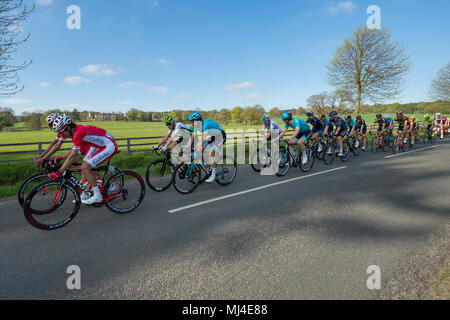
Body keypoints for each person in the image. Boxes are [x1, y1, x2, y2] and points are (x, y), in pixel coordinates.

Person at [49, 115, 119, 205]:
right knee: (84, 167)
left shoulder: (78, 132)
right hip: (97, 145)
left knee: (85, 168)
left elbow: (72, 156)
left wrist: (60, 171)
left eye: (61, 132)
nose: (62, 135)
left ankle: (97, 196)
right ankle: (103, 186)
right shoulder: (74, 133)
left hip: (109, 145)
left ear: (68, 128)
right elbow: (75, 151)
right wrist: (61, 157)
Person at [187, 112, 226, 183]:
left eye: (193, 122)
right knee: (202, 151)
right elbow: (192, 138)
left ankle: (213, 175)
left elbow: (202, 139)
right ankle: (208, 170)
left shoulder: (205, 125)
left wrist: (196, 152)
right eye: (191, 122)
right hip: (212, 136)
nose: (192, 124)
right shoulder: (196, 127)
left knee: (212, 152)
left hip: (220, 136)